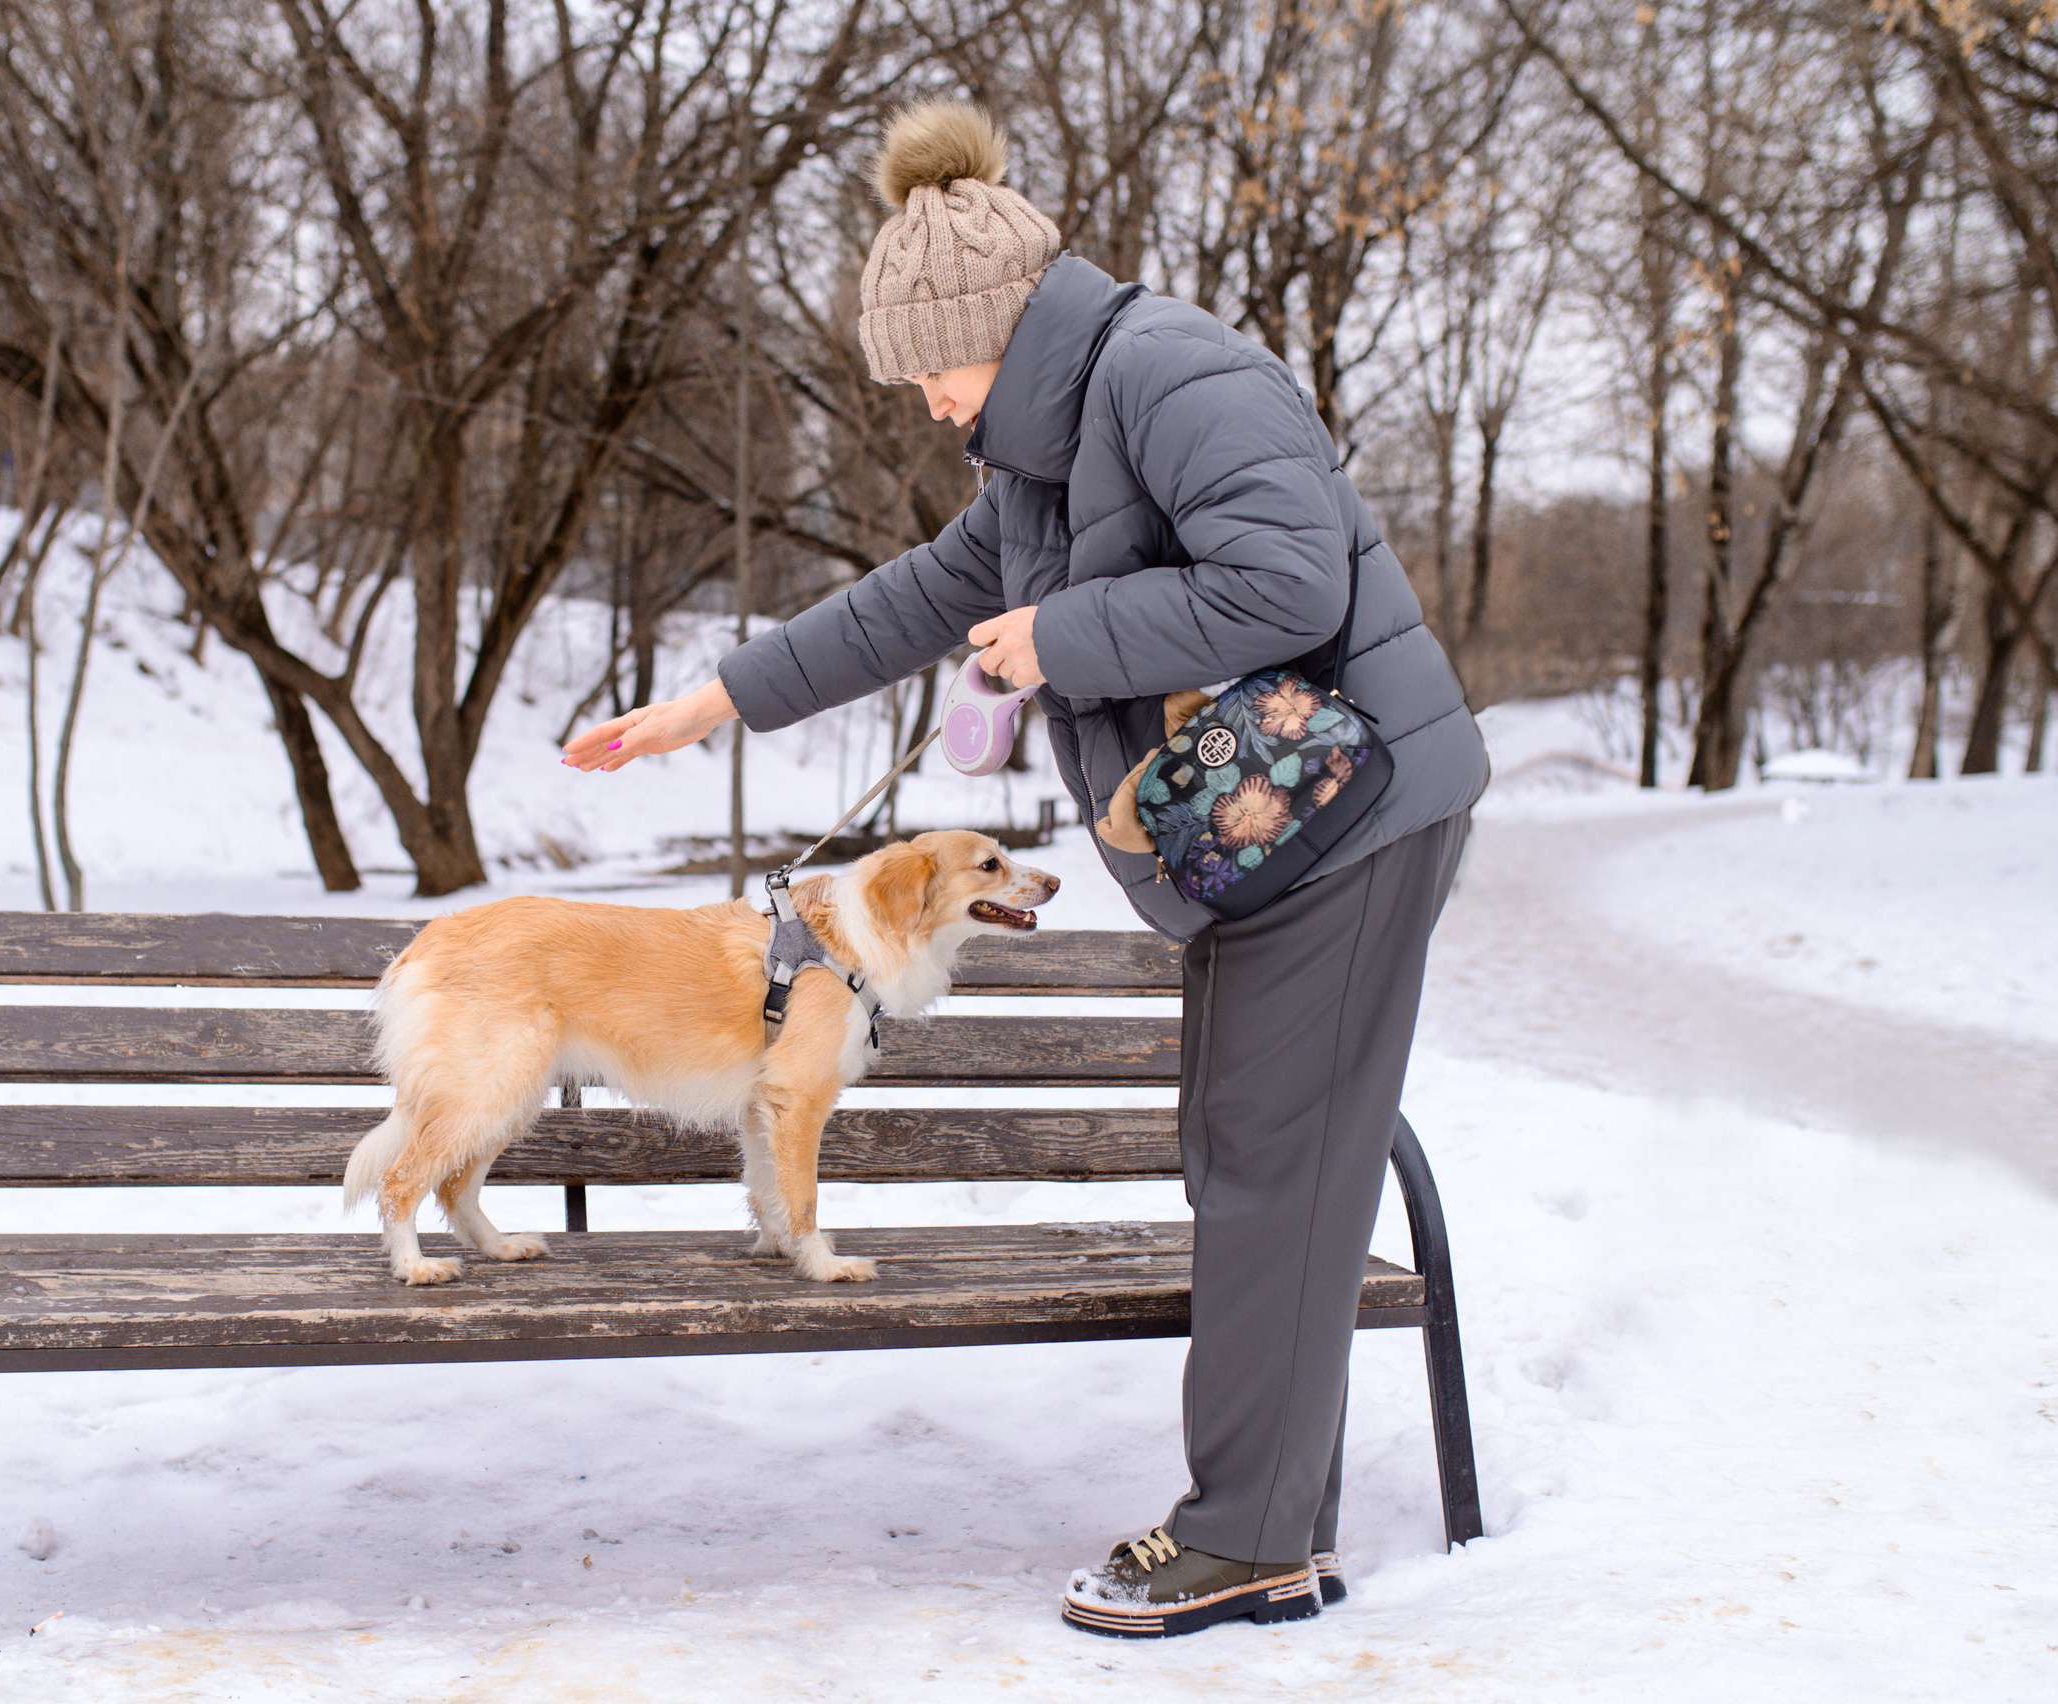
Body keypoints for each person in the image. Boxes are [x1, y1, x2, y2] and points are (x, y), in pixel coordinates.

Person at [561, 100, 1487, 1638]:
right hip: (1272, 834)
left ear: (1001, 334)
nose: (928, 407)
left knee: (1275, 1164)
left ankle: (1246, 1535)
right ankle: (1279, 1517)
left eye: (934, 373)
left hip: (1352, 816)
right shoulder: (1049, 461)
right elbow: (909, 602)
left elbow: (1286, 579)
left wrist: (1060, 638)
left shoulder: (1180, 377)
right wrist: (704, 705)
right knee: (1256, 1157)